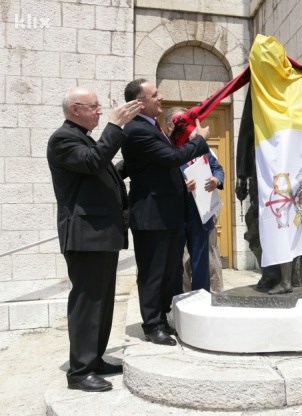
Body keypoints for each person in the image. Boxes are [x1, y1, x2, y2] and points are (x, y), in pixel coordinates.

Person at [47, 87, 142, 392]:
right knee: (88, 302)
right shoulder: (63, 139)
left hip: (101, 234)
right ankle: (80, 371)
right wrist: (115, 126)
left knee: (101, 301)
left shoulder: (85, 139)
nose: (100, 111)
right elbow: (91, 162)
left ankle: (95, 358)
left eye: (101, 107)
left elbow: (102, 167)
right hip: (85, 235)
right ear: (75, 109)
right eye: (94, 107)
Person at [121, 79, 210, 346]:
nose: (161, 98)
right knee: (153, 272)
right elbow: (171, 158)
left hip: (168, 213)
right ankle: (152, 324)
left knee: (170, 271)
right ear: (139, 102)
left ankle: (162, 316)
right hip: (152, 215)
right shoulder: (136, 130)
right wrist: (199, 141)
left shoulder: (153, 127)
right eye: (155, 94)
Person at [164, 107, 225, 295]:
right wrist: (181, 185)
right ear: (169, 126)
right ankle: (179, 300)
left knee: (201, 260)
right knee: (178, 262)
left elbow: (217, 168)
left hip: (203, 212)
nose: (188, 128)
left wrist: (216, 180)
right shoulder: (166, 149)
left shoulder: (200, 147)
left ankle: (201, 298)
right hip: (177, 212)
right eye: (182, 123)